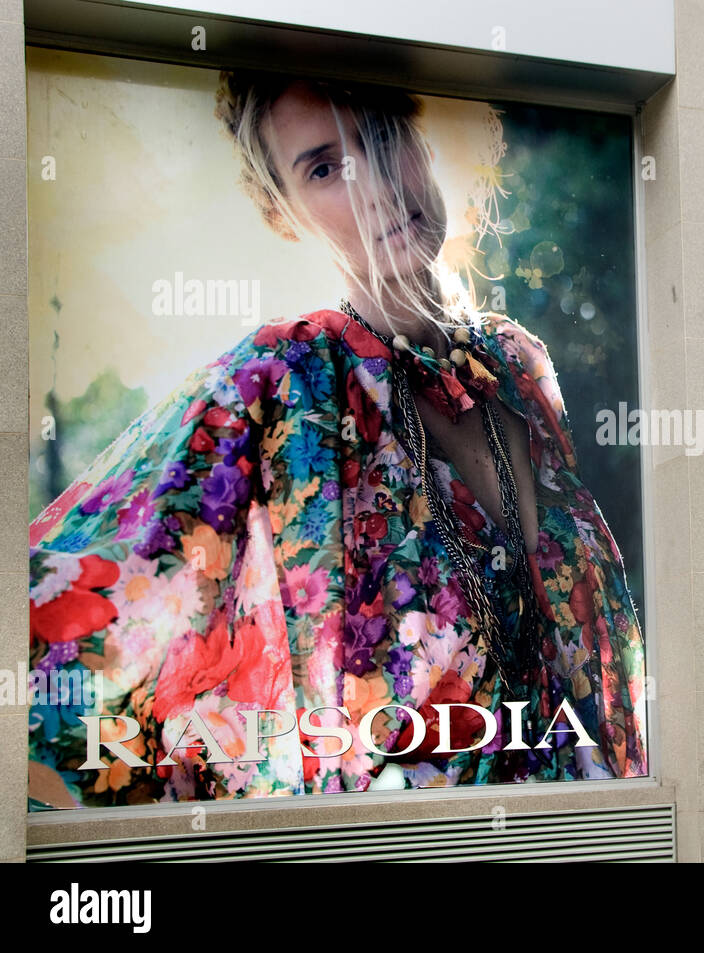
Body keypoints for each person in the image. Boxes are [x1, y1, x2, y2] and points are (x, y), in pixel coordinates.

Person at [26, 71, 647, 808]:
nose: (376, 183)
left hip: (591, 833)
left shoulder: (522, 370)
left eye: (383, 132)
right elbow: (51, 625)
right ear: (283, 212)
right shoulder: (281, 387)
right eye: (323, 168)